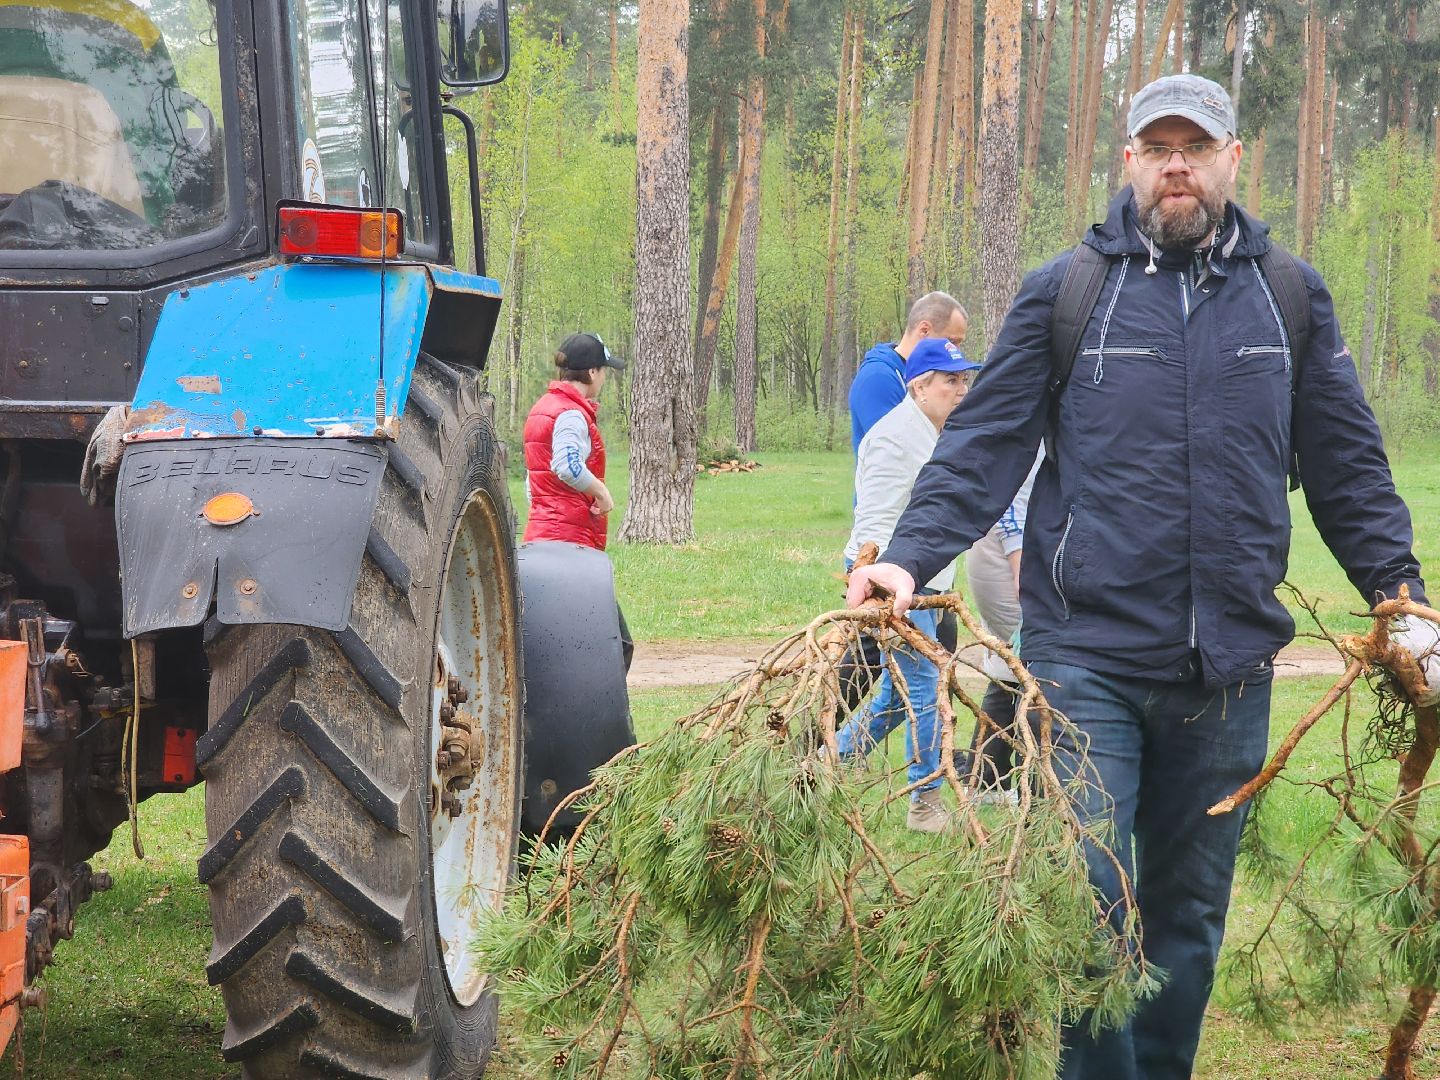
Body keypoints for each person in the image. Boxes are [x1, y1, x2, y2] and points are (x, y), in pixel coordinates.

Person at [845, 73, 1440, 1080]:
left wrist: (1402, 595)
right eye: (1156, 145)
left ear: (1231, 159)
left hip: (1230, 666)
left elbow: (1345, 460)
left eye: (1195, 146)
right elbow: (983, 447)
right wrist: (906, 558)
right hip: (1088, 656)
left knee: (1188, 915)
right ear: (1126, 160)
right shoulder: (1067, 290)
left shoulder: (1286, 295)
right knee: (1085, 891)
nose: (1177, 163)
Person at [836, 337, 981, 833]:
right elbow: (873, 520)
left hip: (927, 585)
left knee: (899, 697)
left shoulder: (941, 432)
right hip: (892, 583)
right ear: (920, 385)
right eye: (950, 380)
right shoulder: (894, 437)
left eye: (965, 378)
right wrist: (873, 582)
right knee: (924, 691)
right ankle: (926, 803)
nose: (960, 388)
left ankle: (827, 764)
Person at [521, 332, 624, 550]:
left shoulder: (542, 407)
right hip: (568, 542)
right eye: (604, 370)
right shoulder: (571, 415)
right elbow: (567, 466)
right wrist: (602, 493)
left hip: (539, 537)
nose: (604, 378)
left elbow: (532, 481)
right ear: (592, 371)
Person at [849, 291, 968, 454]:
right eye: (952, 342)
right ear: (924, 330)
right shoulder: (878, 378)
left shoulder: (933, 377)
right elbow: (894, 451)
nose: (956, 351)